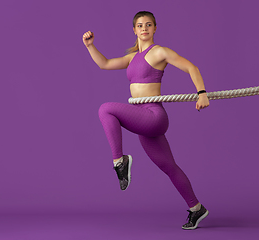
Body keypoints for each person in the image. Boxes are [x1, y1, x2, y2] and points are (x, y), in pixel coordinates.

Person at [82, 11, 209, 230]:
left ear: (154, 28)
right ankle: (196, 209)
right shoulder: (132, 57)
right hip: (141, 119)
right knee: (169, 166)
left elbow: (191, 67)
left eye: (148, 25)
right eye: (140, 25)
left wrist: (202, 92)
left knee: (106, 109)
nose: (144, 28)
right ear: (134, 30)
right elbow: (104, 64)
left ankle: (119, 161)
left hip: (153, 115)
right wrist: (90, 46)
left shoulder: (159, 52)